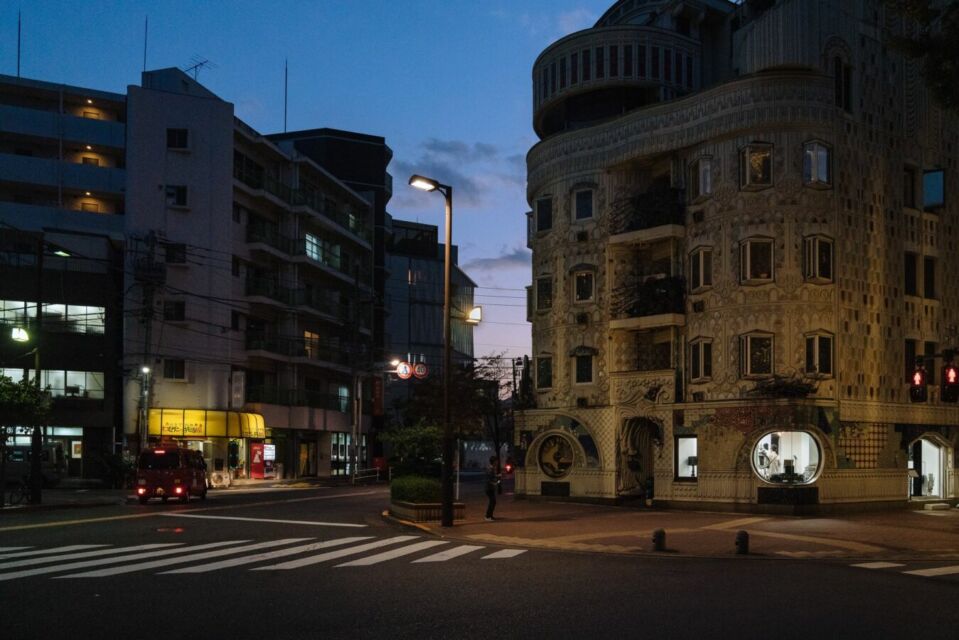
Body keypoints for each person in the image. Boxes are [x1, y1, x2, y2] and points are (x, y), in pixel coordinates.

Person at [485, 456, 500, 521]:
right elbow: (489, 479)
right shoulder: (491, 469)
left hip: (490, 488)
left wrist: (497, 476)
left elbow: (491, 477)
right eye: (496, 461)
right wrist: (495, 483)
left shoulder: (492, 468)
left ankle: (490, 516)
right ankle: (488, 516)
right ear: (494, 462)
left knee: (493, 502)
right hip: (489, 488)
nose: (497, 462)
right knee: (492, 501)